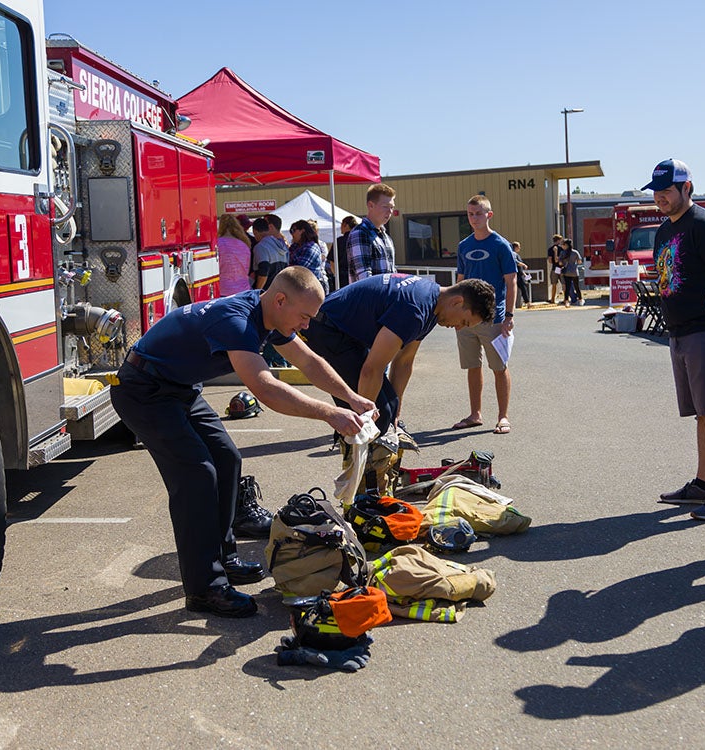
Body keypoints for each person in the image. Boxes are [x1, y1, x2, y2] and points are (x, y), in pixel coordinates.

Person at [111, 267, 376, 619]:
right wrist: (330, 414)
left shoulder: (270, 314)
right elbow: (265, 388)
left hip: (179, 388)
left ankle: (221, 559)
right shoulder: (237, 321)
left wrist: (351, 399)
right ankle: (205, 588)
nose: (307, 325)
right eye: (304, 316)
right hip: (143, 390)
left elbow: (309, 362)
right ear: (281, 300)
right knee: (196, 476)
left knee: (226, 459)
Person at [645, 158, 705, 520]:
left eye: (667, 190)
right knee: (702, 413)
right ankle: (704, 484)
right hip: (681, 332)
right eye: (656, 191)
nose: (660, 197)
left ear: (687, 188)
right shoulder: (665, 229)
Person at [303, 273, 496, 439]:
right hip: (327, 329)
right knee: (374, 419)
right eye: (464, 321)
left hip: (344, 331)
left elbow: (404, 361)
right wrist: (366, 423)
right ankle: (362, 472)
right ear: (457, 301)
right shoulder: (415, 309)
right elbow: (371, 370)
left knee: (390, 408)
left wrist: (395, 414)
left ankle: (369, 465)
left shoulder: (431, 306)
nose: (459, 327)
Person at [450, 195, 518, 435]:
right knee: (472, 366)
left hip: (493, 318)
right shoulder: (464, 246)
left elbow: (511, 282)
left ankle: (503, 417)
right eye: (470, 214)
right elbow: (459, 282)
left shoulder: (501, 245)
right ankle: (475, 414)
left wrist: (509, 316)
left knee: (499, 367)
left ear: (489, 215)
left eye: (479, 213)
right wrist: (456, 315)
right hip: (467, 318)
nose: (474, 218)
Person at [346, 183, 397, 281]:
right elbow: (364, 278)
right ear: (370, 205)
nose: (390, 211)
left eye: (392, 207)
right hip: (369, 296)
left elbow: (392, 273)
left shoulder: (385, 237)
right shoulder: (360, 233)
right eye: (385, 206)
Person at [288, 219, 329, 294]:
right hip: (301, 286)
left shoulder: (311, 247)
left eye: (293, 230)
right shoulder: (295, 246)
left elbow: (299, 269)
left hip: (312, 288)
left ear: (302, 231)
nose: (291, 234)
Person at [216, 214, 252, 296]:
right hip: (244, 289)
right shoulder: (244, 245)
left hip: (224, 290)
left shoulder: (218, 244)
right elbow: (247, 270)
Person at [251, 217, 287, 290]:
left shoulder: (261, 247)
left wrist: (257, 292)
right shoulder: (282, 246)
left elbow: (263, 272)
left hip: (266, 292)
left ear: (255, 231)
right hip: (279, 289)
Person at [329, 215, 359, 291]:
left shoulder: (339, 241)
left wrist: (336, 275)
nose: (340, 228)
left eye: (341, 225)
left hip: (342, 277)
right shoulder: (358, 239)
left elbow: (332, 262)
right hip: (358, 275)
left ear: (346, 225)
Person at [559, 238, 583, 307]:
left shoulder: (563, 253)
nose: (562, 246)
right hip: (575, 272)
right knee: (577, 287)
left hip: (567, 272)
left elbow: (560, 263)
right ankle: (580, 300)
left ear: (566, 245)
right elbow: (579, 261)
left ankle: (566, 301)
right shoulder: (575, 252)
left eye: (563, 245)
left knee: (567, 287)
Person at [512, 241, 532, 308]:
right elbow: (516, 262)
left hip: (520, 274)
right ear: (515, 247)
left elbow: (520, 267)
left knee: (523, 288)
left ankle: (527, 303)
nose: (520, 248)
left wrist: (525, 274)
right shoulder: (513, 254)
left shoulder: (518, 255)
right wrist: (524, 264)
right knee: (520, 289)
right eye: (519, 246)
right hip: (515, 274)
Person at [547, 234, 563, 304]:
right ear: (559, 240)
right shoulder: (561, 249)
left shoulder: (550, 249)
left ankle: (552, 299)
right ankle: (566, 298)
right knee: (564, 283)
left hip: (554, 268)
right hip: (561, 268)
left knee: (554, 284)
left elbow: (550, 261)